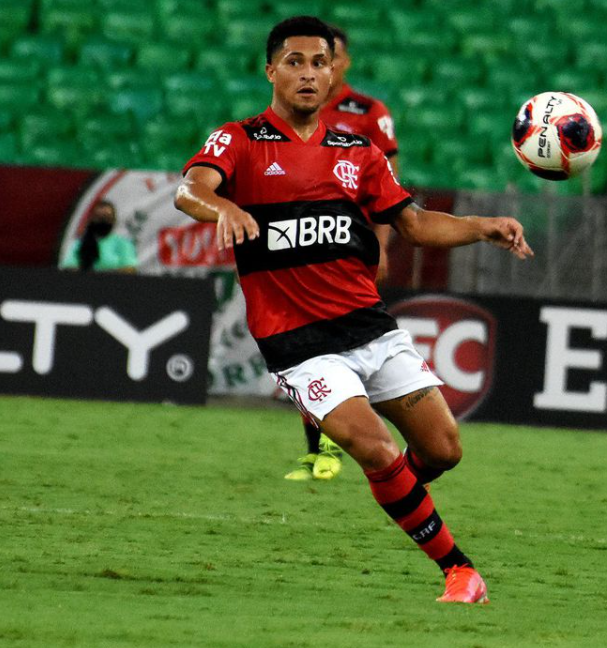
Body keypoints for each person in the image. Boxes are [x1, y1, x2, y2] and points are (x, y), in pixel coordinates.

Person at [174, 16, 532, 603]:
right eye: (295, 62)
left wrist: (481, 227)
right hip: (298, 341)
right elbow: (190, 188)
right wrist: (220, 209)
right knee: (376, 448)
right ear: (271, 71)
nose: (309, 73)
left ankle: (397, 495)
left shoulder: (357, 150)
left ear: (334, 71)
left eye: (320, 61)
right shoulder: (239, 140)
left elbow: (414, 224)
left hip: (370, 327)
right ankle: (459, 571)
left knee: (444, 450)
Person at [282, 23, 404, 483]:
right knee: (308, 346)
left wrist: (383, 243)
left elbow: (387, 185)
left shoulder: (369, 112)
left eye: (326, 58)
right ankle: (319, 449)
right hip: (301, 243)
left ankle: (339, 445)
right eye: (306, 60)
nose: (316, 68)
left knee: (343, 343)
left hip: (352, 243)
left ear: (341, 63)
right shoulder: (294, 110)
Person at [60, 200, 138, 273]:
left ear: (114, 220)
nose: (103, 221)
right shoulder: (79, 244)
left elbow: (129, 269)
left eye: (107, 217)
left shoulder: (123, 243)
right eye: (99, 217)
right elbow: (68, 268)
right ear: (91, 219)